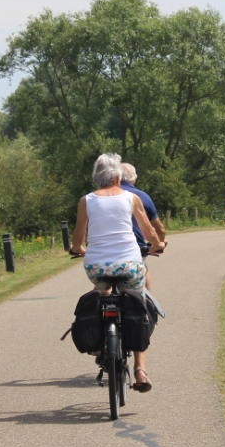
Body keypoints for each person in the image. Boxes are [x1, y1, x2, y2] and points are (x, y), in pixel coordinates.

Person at [70, 153, 166, 392]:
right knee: (138, 305)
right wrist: (157, 246)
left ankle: (100, 342)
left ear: (96, 178)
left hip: (96, 267)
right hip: (130, 265)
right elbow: (148, 232)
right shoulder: (131, 198)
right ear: (118, 176)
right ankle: (140, 370)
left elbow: (78, 238)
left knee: (101, 294)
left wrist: (78, 250)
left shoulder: (86, 201)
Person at [120, 162, 167, 291]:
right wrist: (160, 243)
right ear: (134, 180)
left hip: (105, 251)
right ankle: (145, 305)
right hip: (135, 249)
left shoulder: (101, 196)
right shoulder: (142, 197)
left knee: (102, 282)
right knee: (143, 270)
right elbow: (159, 229)